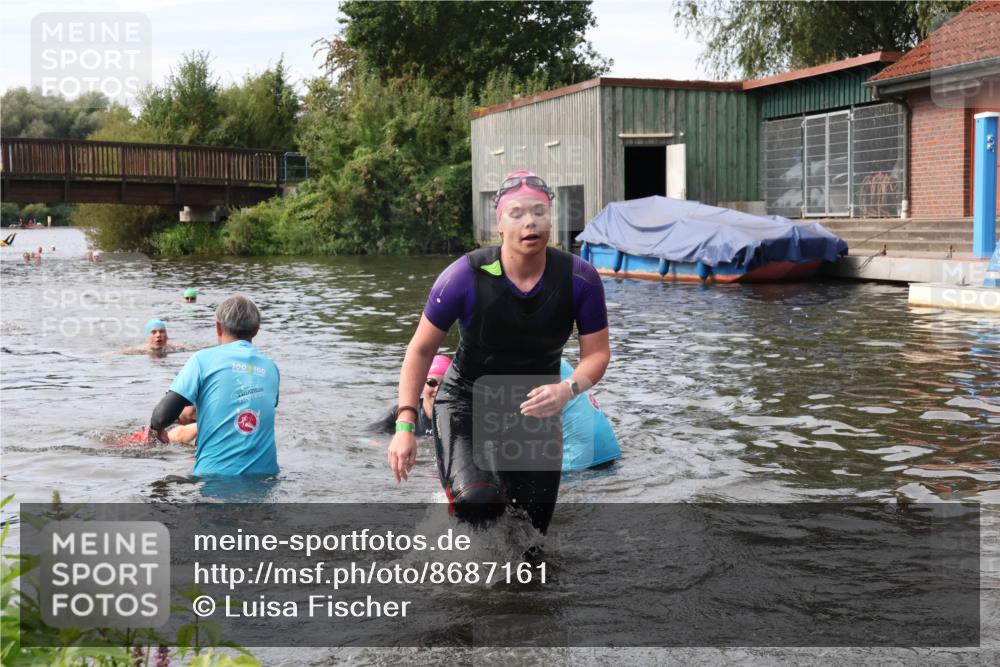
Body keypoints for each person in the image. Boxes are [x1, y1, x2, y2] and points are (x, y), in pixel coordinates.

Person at [387, 170, 610, 535]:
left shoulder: (579, 279)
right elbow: (421, 349)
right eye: (517, 213)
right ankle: (461, 494)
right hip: (467, 403)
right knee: (479, 504)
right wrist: (405, 425)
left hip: (537, 412)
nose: (530, 222)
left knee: (531, 539)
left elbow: (597, 354)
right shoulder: (464, 276)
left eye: (539, 212)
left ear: (552, 218)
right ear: (499, 223)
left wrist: (567, 389)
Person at [149, 294, 280, 476]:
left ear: (218, 327)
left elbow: (161, 415)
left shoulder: (202, 360)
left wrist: (156, 430)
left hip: (215, 477)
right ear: (256, 329)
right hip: (267, 477)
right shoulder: (271, 368)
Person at [377, 355, 451, 436]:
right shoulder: (402, 412)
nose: (437, 389)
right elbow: (366, 436)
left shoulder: (459, 416)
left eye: (445, 384)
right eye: (431, 382)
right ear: (422, 384)